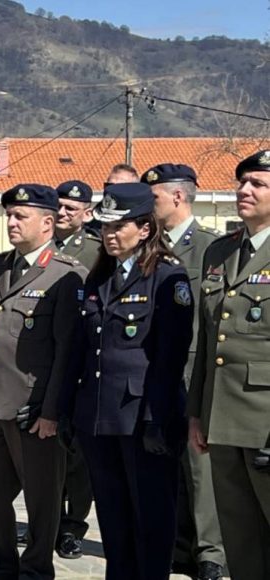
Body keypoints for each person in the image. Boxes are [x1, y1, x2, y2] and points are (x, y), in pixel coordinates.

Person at [60, 182, 193, 580]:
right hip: (99, 417)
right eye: (105, 227)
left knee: (151, 519)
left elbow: (170, 357)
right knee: (114, 518)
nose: (110, 235)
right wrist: (68, 409)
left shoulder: (167, 276)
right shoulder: (100, 277)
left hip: (142, 418)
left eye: (119, 226)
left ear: (145, 229)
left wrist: (157, 419)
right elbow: (82, 350)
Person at [0, 184, 86, 580]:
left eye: (20, 216)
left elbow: (68, 352)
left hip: (33, 410)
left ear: (47, 223)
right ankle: (3, 563)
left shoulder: (66, 274)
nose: (11, 222)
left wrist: (52, 411)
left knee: (42, 497)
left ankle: (35, 569)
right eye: (9, 215)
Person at [188, 150, 270, 580]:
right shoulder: (220, 251)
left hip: (265, 420)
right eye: (242, 182)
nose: (244, 190)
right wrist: (197, 414)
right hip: (222, 418)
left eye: (258, 184)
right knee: (239, 536)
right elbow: (207, 343)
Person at [142, 163, 225, 580]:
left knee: (199, 466)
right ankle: (177, 544)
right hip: (154, 371)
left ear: (177, 196)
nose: (147, 205)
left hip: (194, 370)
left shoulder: (211, 248)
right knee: (164, 461)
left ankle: (211, 551)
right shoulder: (146, 246)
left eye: (153, 197)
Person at [46, 179, 100, 559]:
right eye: (59, 206)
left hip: (81, 360)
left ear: (88, 213)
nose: (63, 213)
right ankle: (47, 520)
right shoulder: (41, 245)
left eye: (71, 208)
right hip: (45, 358)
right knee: (47, 451)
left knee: (78, 455)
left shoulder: (97, 250)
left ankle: (72, 526)